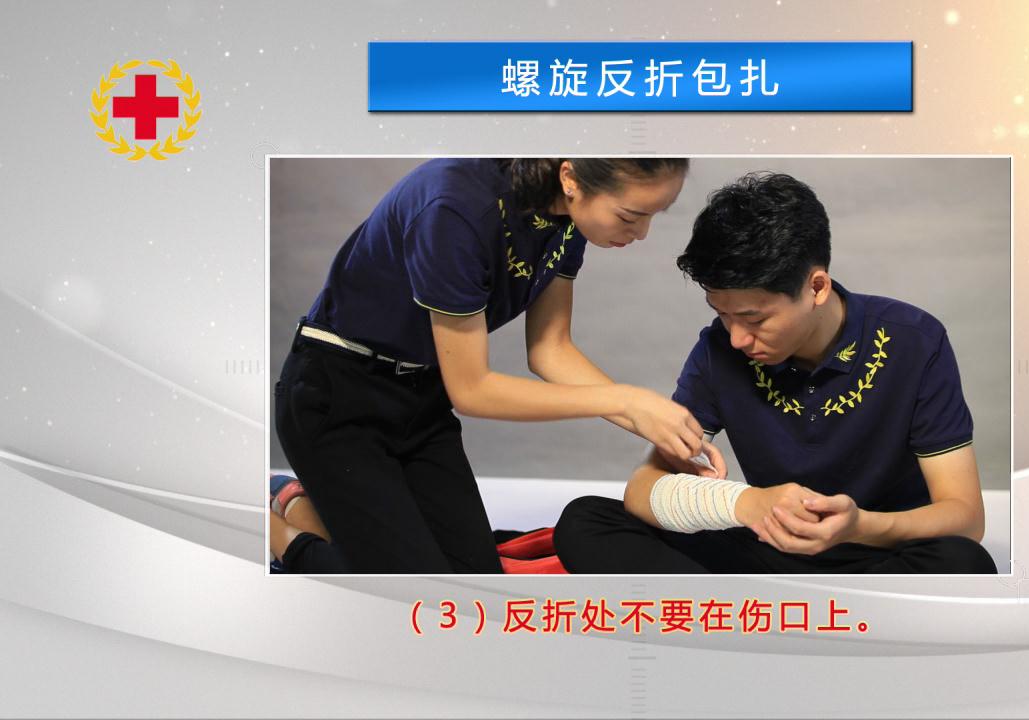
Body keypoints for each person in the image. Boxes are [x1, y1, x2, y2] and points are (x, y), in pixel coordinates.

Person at [270, 157, 725, 573]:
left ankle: (305, 504)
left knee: (476, 581)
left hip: (420, 398)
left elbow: (550, 350)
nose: (642, 233)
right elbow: (472, 390)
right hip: (337, 398)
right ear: (570, 177)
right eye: (630, 216)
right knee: (417, 596)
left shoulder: (568, 218)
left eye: (654, 214)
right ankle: (276, 531)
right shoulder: (454, 209)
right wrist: (628, 401)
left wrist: (659, 426)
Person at [554, 172, 997, 574]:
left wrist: (859, 526)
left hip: (879, 551)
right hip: (767, 550)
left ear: (816, 287)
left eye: (754, 319)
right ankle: (794, 619)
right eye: (722, 314)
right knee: (586, 520)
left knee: (964, 562)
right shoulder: (718, 350)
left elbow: (965, 517)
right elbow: (643, 489)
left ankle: (750, 617)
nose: (737, 339)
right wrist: (747, 503)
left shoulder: (914, 340)